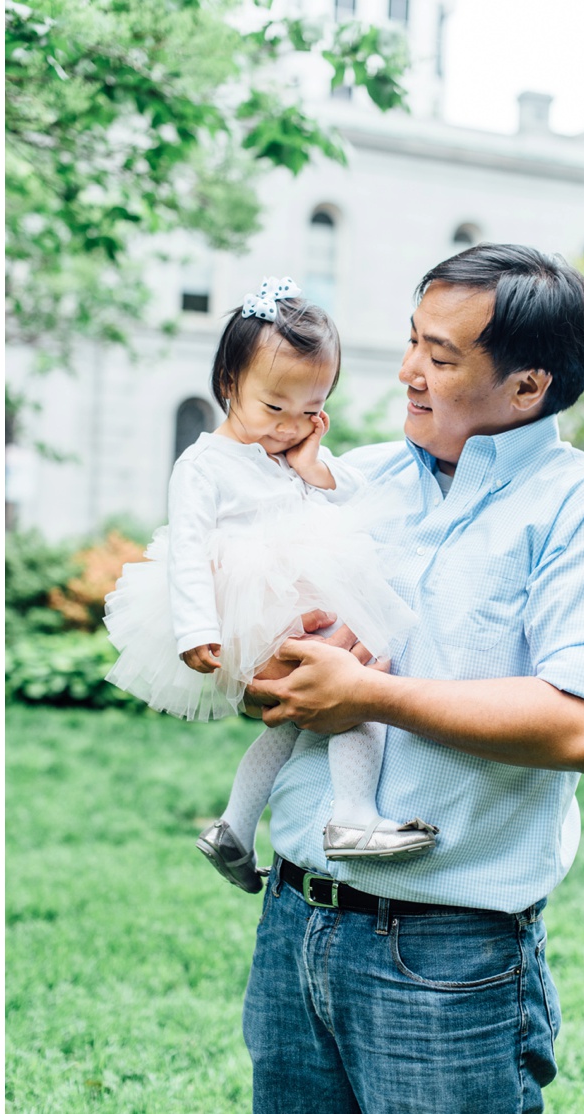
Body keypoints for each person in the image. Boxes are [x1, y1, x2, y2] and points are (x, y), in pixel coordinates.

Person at [240, 244, 584, 1114]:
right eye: (411, 342)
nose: (408, 373)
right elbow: (258, 644)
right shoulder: (352, 480)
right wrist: (263, 673)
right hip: (292, 921)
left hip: (447, 958)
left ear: (526, 387)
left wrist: (369, 697)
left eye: (441, 358)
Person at [103, 277, 438, 887]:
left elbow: (359, 498)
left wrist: (311, 465)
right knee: (356, 694)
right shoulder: (204, 463)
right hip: (251, 603)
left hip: (295, 598)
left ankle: (233, 827)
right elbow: (188, 547)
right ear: (230, 384)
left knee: (298, 715)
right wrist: (198, 626)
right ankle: (353, 818)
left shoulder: (287, 455)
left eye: (309, 411)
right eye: (273, 408)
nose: (288, 426)